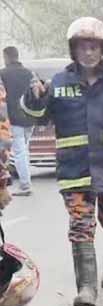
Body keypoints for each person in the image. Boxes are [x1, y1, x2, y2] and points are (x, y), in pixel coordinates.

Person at [21, 17, 103, 306]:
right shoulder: (58, 82)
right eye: (83, 46)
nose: (89, 52)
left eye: (94, 46)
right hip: (75, 172)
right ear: (74, 50)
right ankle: (86, 289)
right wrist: (34, 97)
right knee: (80, 227)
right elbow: (37, 116)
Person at [0, 47, 34, 196]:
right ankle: (24, 181)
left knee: (19, 151)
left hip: (13, 119)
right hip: (30, 118)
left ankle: (25, 186)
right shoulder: (29, 73)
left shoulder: (2, 74)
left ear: (6, 57)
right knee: (23, 150)